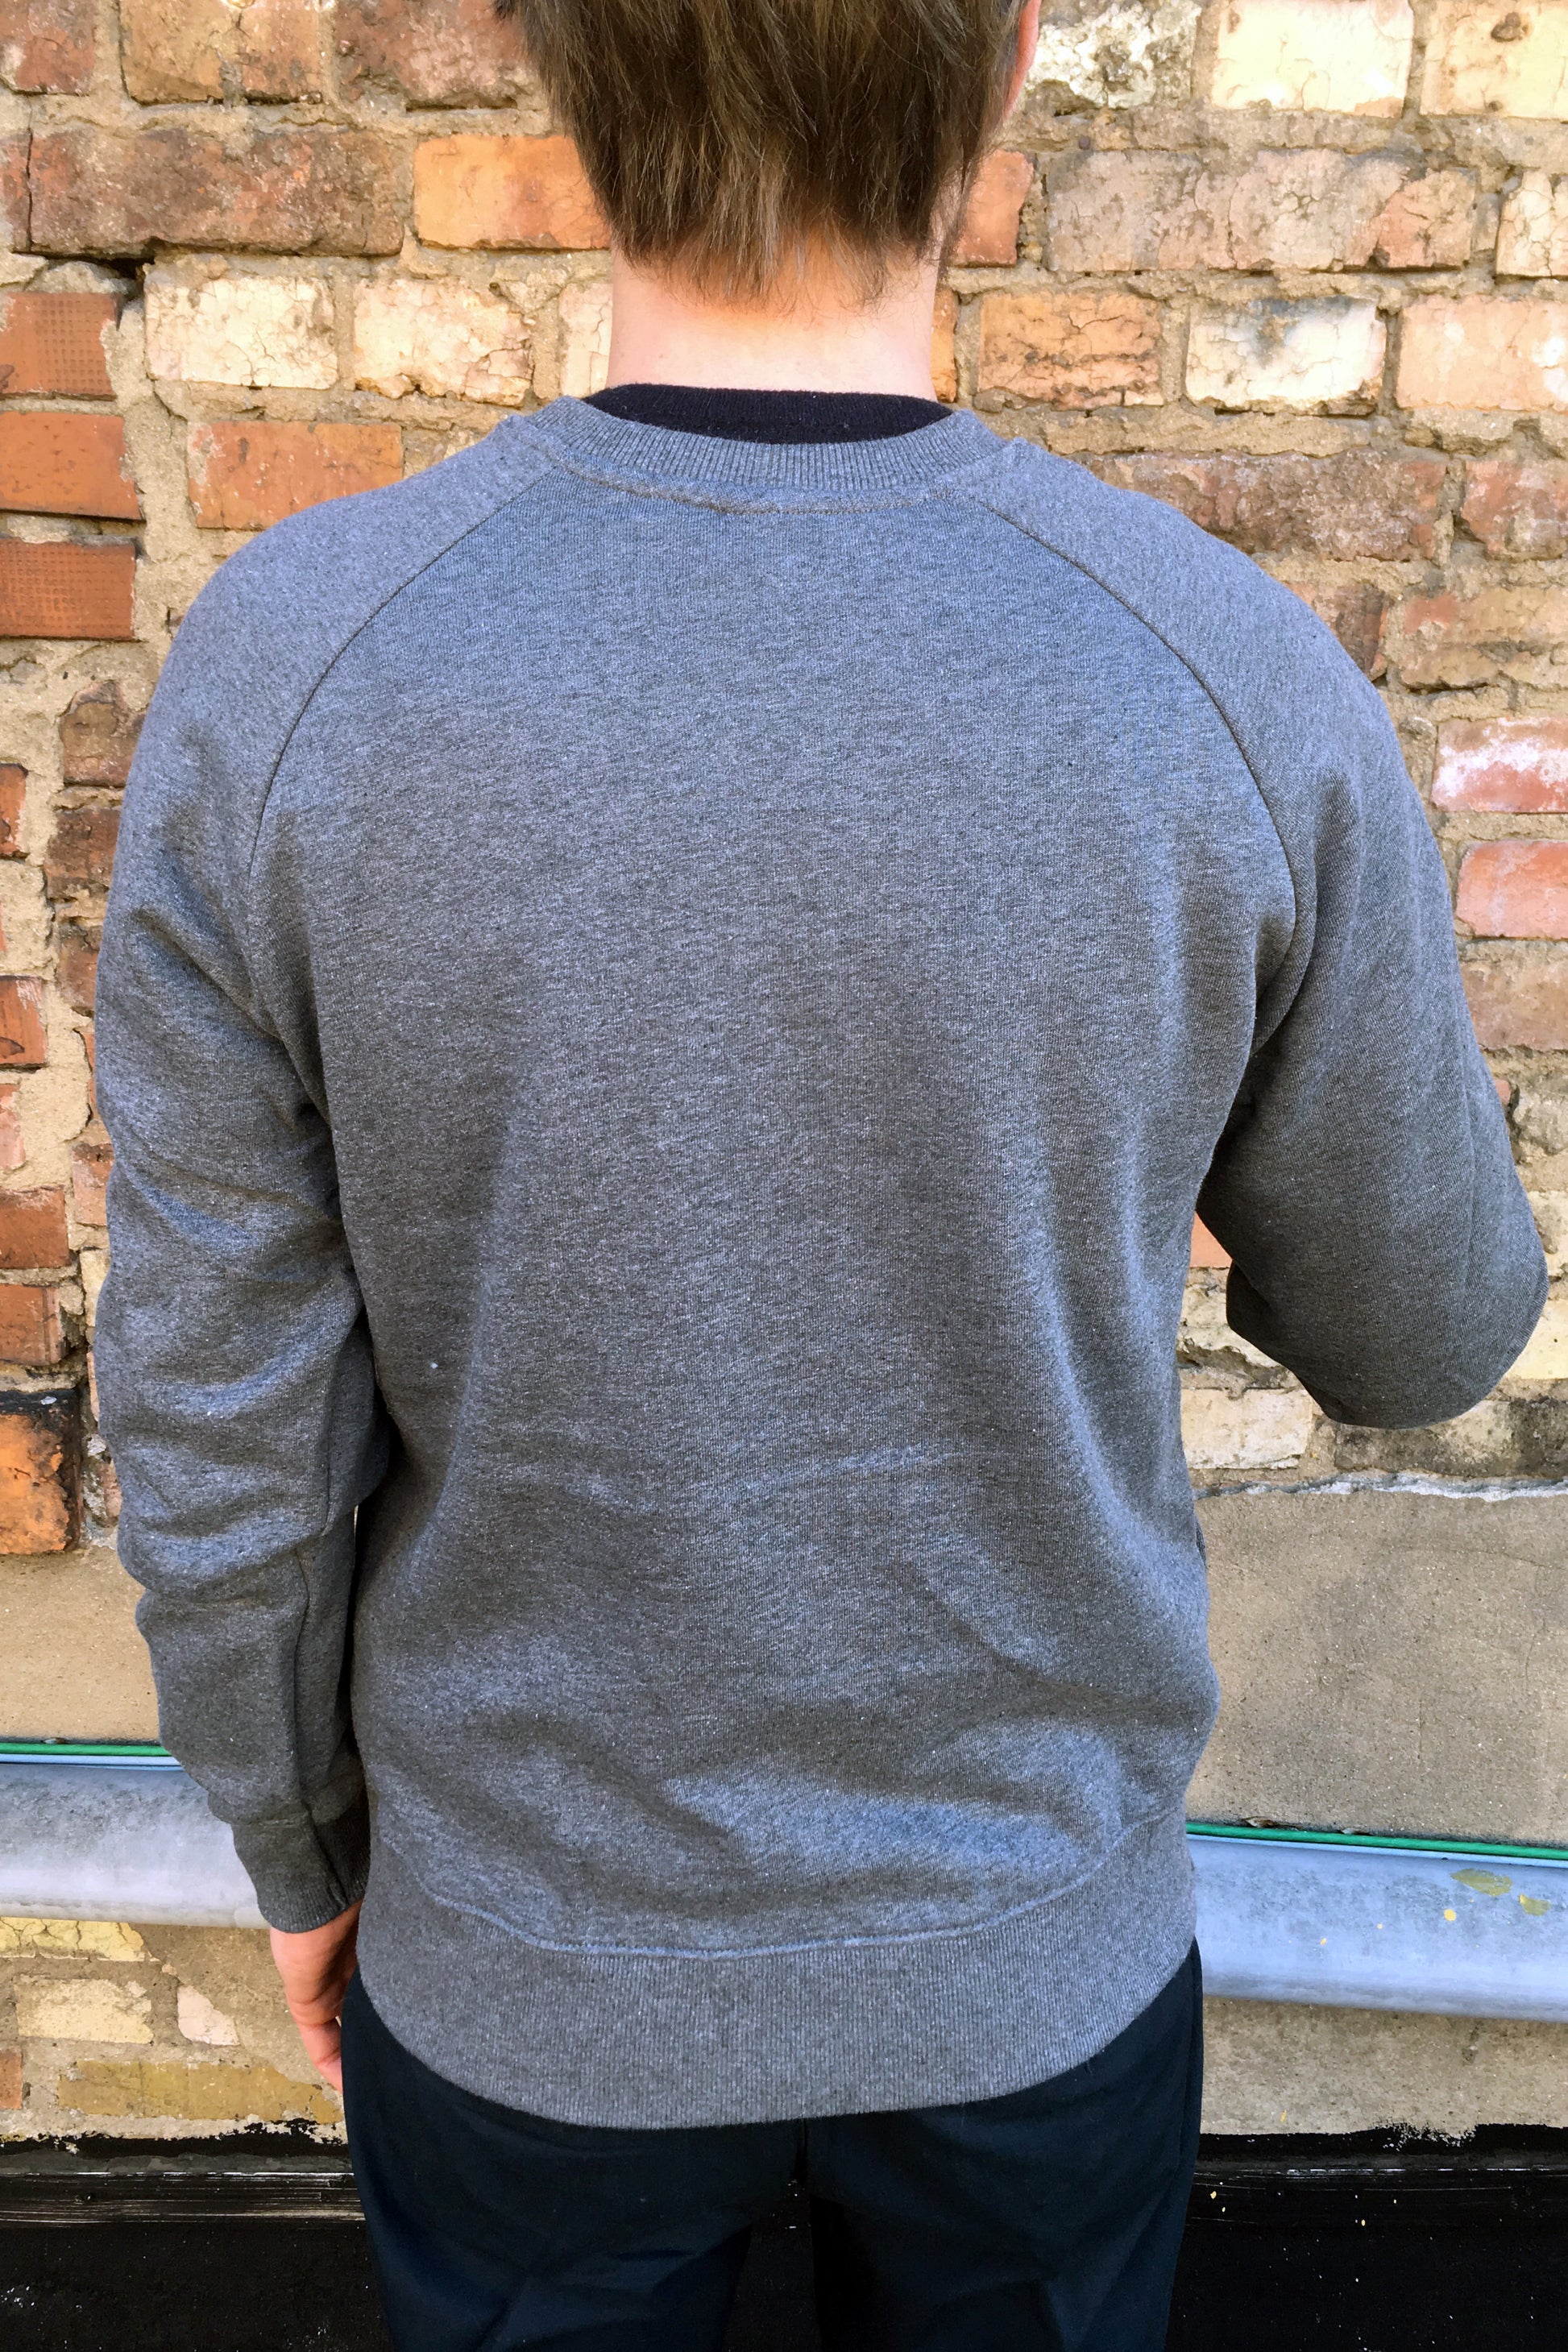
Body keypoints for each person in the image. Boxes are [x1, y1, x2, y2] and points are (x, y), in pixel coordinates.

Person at [93, 0, 1546, 2341]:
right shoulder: (1218, 675)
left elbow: (221, 1426)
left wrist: (294, 1843)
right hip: (1030, 1967)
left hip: (523, 1962)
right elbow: (1423, 1329)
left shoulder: (297, 673)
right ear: (1009, 64)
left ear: (556, 69)